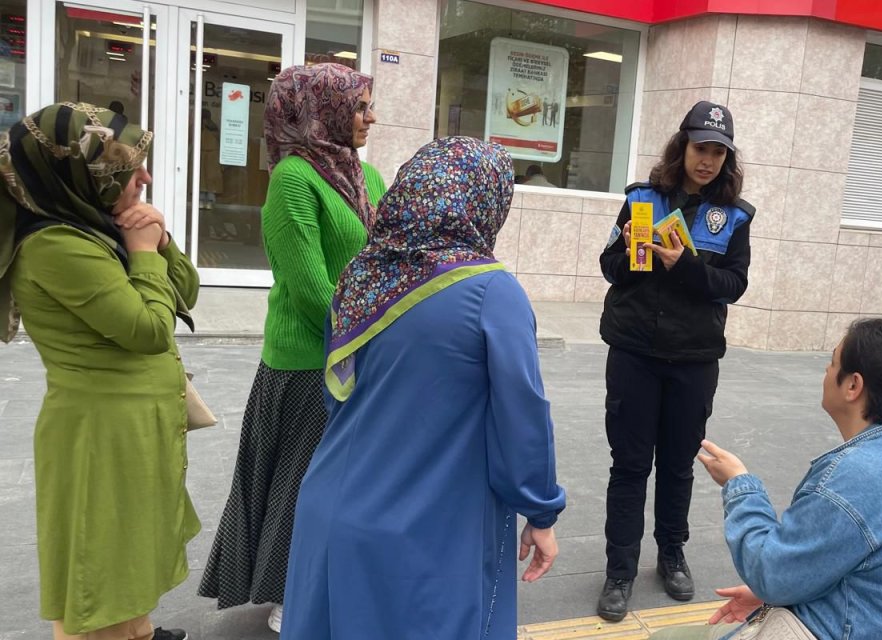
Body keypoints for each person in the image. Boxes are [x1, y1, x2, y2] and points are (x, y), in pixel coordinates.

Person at [281, 136, 565, 639]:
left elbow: (338, 393)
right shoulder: (491, 292)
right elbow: (522, 416)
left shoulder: (358, 278)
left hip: (328, 511)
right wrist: (540, 510)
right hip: (427, 532)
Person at [199, 62, 387, 633]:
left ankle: (327, 577)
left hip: (362, 350)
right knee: (300, 484)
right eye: (359, 107)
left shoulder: (367, 176)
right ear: (319, 112)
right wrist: (373, 334)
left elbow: (385, 261)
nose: (369, 117)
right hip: (307, 362)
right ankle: (288, 593)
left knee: (343, 483)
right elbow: (309, 291)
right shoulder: (292, 180)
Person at [0, 102, 196, 640]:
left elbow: (186, 294)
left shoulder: (93, 226)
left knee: (126, 549)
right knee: (100, 561)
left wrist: (159, 237)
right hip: (99, 434)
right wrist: (144, 250)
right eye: (128, 169)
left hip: (129, 426)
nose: (145, 178)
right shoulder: (56, 244)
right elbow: (149, 329)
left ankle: (137, 629)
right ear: (77, 178)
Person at [653, 318, 882, 640]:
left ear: (853, 386)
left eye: (832, 362)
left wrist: (739, 484)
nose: (825, 371)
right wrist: (776, 593)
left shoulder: (859, 475)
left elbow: (771, 571)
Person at [596, 100, 753, 620]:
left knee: (678, 466)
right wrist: (634, 257)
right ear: (682, 146)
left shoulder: (733, 215)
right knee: (630, 465)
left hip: (693, 358)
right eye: (698, 148)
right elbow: (610, 266)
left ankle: (671, 555)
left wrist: (684, 265)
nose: (705, 160)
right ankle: (619, 570)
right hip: (635, 353)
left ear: (726, 160)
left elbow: (733, 285)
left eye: (716, 153)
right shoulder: (642, 198)